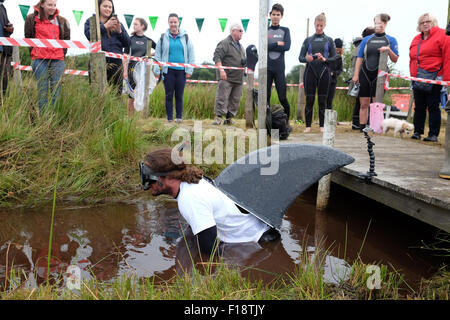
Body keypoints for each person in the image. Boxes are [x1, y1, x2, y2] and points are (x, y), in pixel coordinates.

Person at [140, 148, 280, 256]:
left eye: (150, 179)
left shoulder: (189, 198)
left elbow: (209, 250)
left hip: (258, 243)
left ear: (170, 177)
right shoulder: (191, 183)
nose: (147, 185)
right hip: (262, 233)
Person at [352, 14, 399, 131]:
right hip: (365, 73)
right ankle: (362, 127)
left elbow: (395, 59)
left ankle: (376, 127)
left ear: (385, 24)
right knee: (364, 103)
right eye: (377, 23)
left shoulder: (391, 40)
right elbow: (359, 57)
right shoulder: (367, 40)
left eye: (381, 23)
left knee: (376, 104)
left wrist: (388, 50)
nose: (379, 25)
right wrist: (356, 74)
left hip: (380, 75)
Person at [409, 13, 449, 142]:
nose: (425, 24)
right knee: (419, 106)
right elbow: (412, 58)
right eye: (422, 22)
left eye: (428, 21)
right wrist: (413, 77)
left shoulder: (443, 35)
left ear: (434, 22)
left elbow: (448, 57)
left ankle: (433, 134)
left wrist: (446, 78)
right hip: (418, 77)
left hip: (435, 76)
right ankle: (417, 131)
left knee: (433, 106)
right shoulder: (416, 39)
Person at [24, 0, 70, 113]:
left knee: (56, 90)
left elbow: (67, 40)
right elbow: (28, 37)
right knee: (42, 90)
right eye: (50, 5)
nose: (53, 7)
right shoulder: (31, 19)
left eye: (54, 5)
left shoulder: (62, 21)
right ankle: (43, 120)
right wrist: (34, 53)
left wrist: (61, 54)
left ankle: (55, 119)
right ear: (42, 4)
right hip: (39, 59)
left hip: (58, 59)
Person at [299, 13, 338, 133]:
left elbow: (335, 58)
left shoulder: (329, 40)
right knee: (309, 99)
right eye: (317, 25)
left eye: (321, 26)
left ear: (325, 25)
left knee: (323, 100)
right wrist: (307, 59)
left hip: (324, 71)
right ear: (314, 24)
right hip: (310, 71)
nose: (319, 28)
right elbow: (300, 58)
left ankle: (322, 126)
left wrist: (324, 59)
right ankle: (308, 126)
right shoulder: (308, 40)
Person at [154, 13, 195, 124]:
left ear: (178, 23)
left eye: (175, 22)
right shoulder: (163, 37)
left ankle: (179, 118)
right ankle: (169, 119)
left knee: (179, 95)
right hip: (168, 71)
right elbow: (157, 55)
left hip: (182, 71)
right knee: (168, 95)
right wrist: (157, 70)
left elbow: (191, 54)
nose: (173, 24)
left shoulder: (185, 37)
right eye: (171, 22)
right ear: (168, 23)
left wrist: (189, 70)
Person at [84, 0, 130, 95]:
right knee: (97, 93)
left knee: (116, 93)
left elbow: (128, 43)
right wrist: (105, 26)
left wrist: (120, 31)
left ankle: (114, 110)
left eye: (110, 7)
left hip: (116, 62)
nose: (108, 9)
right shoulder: (91, 21)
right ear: (98, 7)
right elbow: (89, 35)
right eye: (105, 6)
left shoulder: (117, 22)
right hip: (97, 61)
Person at [211, 23, 246, 126]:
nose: (241, 33)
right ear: (233, 31)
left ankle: (229, 118)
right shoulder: (225, 43)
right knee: (222, 98)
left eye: (242, 31)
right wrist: (221, 70)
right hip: (226, 77)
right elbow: (217, 57)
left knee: (235, 100)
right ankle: (218, 118)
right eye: (240, 30)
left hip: (238, 78)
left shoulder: (241, 46)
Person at [123, 18, 156, 116]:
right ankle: (130, 117)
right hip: (131, 68)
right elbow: (124, 56)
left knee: (143, 91)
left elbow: (159, 49)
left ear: (143, 26)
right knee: (131, 94)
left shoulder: (148, 40)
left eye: (136, 24)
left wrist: (150, 56)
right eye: (133, 24)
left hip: (144, 69)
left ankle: (142, 116)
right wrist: (124, 70)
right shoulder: (130, 39)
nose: (134, 26)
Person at [267, 3, 292, 128]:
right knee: (266, 97)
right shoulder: (266, 30)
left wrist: (271, 45)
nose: (275, 17)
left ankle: (286, 122)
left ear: (281, 16)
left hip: (279, 68)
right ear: (270, 15)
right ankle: (265, 123)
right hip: (267, 68)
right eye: (273, 14)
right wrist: (278, 43)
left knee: (282, 97)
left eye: (278, 14)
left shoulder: (285, 30)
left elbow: (287, 47)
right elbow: (263, 47)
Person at [350, 27, 375, 130]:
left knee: (359, 103)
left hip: (358, 77)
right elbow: (359, 65)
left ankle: (356, 123)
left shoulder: (357, 48)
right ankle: (360, 123)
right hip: (361, 77)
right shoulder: (363, 48)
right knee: (362, 103)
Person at [0, 0, 13, 101]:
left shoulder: (3, 7)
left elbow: (6, 27)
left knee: (5, 78)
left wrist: (10, 29)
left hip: (5, 49)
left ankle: (3, 104)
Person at [327, 38, 343, 110]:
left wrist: (334, 73)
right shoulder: (327, 55)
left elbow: (340, 70)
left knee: (330, 100)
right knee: (323, 100)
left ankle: (328, 118)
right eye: (337, 48)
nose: (338, 50)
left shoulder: (339, 58)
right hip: (325, 80)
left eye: (339, 48)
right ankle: (322, 118)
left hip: (333, 81)